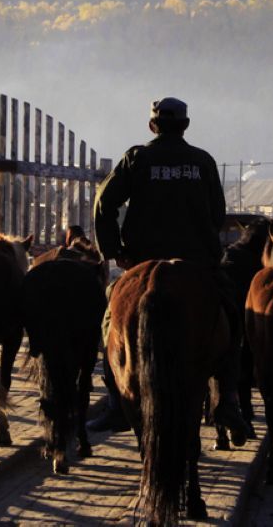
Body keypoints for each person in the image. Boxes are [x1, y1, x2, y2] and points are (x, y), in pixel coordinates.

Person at [87, 97, 244, 441]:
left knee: (110, 325)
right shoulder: (202, 162)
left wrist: (114, 251)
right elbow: (217, 213)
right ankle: (228, 398)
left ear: (152, 126)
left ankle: (117, 402)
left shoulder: (137, 159)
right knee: (231, 316)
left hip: (142, 262)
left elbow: (104, 202)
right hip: (198, 264)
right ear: (185, 126)